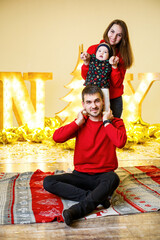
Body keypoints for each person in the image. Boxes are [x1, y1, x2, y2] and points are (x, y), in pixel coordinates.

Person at [43, 85, 127, 226]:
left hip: (104, 176)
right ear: (83, 105)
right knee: (48, 182)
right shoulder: (81, 123)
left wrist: (106, 122)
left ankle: (76, 211)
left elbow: (120, 142)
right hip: (80, 176)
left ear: (103, 102)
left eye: (96, 101)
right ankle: (96, 198)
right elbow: (57, 137)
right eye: (89, 102)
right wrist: (77, 122)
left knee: (114, 178)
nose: (93, 106)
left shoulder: (115, 122)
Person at [81, 19, 134, 118]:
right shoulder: (93, 49)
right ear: (107, 31)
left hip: (113, 99)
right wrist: (86, 63)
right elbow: (85, 76)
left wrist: (114, 67)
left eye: (119, 35)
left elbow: (117, 84)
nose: (113, 37)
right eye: (112, 31)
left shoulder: (122, 56)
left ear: (123, 38)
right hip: (94, 98)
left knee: (112, 130)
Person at [81, 42, 118, 111]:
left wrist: (113, 61)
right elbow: (87, 56)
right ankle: (85, 110)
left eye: (105, 52)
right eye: (99, 51)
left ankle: (106, 111)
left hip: (103, 86)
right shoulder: (92, 58)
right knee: (87, 99)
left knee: (106, 99)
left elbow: (113, 61)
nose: (101, 53)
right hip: (90, 85)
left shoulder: (109, 62)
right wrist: (84, 56)